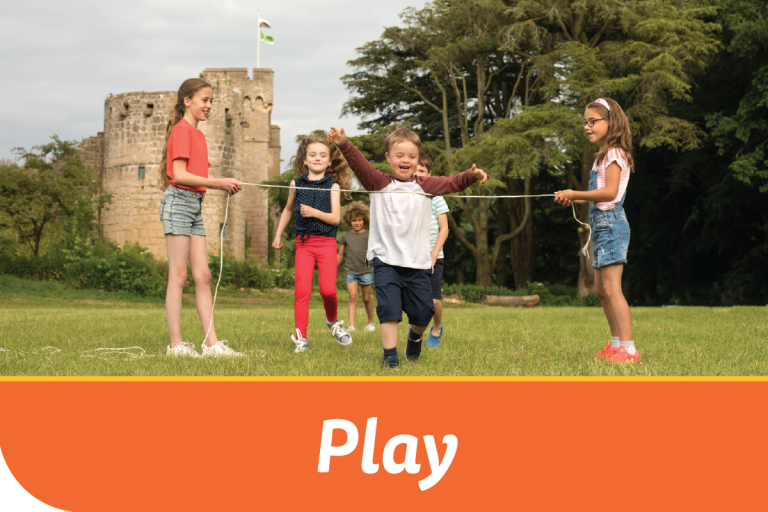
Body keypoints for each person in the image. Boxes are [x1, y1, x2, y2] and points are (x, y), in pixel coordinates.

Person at [328, 126, 487, 368]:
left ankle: (414, 337)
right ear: (388, 157)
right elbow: (360, 165)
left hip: (417, 263)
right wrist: (344, 143)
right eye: (399, 155)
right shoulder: (377, 182)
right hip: (386, 261)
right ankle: (390, 356)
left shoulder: (426, 185)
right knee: (389, 310)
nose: (406, 160)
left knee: (424, 313)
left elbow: (451, 183)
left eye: (412, 156)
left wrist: (471, 176)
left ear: (418, 159)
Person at [159, 78, 244, 358]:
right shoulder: (182, 131)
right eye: (204, 100)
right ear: (187, 101)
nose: (209, 106)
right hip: (178, 203)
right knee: (179, 276)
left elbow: (196, 177)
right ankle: (176, 346)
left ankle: (211, 345)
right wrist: (219, 183)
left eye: (211, 101)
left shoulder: (199, 135)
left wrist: (222, 184)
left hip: (194, 205)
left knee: (203, 276)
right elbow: (179, 175)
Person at [554, 97, 639, 364]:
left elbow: (610, 193)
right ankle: (616, 346)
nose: (587, 126)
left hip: (611, 224)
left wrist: (575, 192)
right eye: (585, 122)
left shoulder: (614, 153)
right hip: (601, 226)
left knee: (613, 289)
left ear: (611, 122)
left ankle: (629, 350)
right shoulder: (602, 155)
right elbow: (597, 196)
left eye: (593, 121)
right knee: (601, 290)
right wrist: (572, 198)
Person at [273, 136, 353, 353]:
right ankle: (301, 339)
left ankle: (333, 322)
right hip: (304, 244)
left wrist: (314, 212)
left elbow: (335, 219)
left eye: (323, 155)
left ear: (329, 162)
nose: (318, 158)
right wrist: (278, 234)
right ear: (305, 160)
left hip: (326, 243)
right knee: (302, 292)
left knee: (328, 291)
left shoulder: (333, 186)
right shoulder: (296, 184)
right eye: (313, 155)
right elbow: (288, 210)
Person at [414, 153, 449, 348]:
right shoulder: (406, 196)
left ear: (429, 174)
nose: (418, 174)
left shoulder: (437, 198)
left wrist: (434, 253)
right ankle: (416, 331)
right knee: (417, 301)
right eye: (415, 170)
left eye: (422, 171)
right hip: (413, 258)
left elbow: (444, 229)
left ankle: (437, 327)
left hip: (435, 257)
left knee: (434, 301)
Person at [337, 202, 375, 333]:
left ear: (364, 220)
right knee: (353, 297)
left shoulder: (369, 235)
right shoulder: (345, 236)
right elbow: (340, 255)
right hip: (351, 271)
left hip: (366, 270)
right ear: (349, 221)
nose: (357, 223)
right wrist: (332, 270)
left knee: (366, 298)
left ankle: (371, 323)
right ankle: (351, 326)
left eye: (359, 220)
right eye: (354, 220)